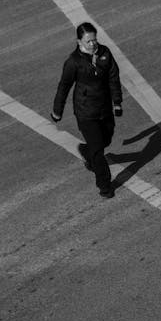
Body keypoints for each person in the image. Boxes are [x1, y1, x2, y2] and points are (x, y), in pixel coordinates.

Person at [51, 22, 123, 198]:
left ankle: (86, 151)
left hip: (104, 108)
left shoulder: (104, 53)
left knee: (106, 140)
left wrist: (117, 102)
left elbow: (113, 77)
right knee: (98, 150)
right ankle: (105, 186)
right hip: (85, 112)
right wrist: (57, 111)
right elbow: (64, 86)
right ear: (79, 41)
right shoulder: (73, 62)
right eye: (88, 41)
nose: (93, 44)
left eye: (94, 40)